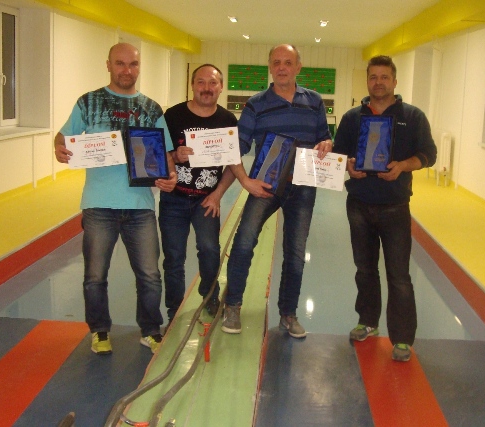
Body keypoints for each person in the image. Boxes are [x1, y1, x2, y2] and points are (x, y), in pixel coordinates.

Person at [54, 43, 177, 355]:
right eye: (120, 63)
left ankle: (150, 331)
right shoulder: (89, 102)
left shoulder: (151, 109)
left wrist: (171, 175)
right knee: (95, 276)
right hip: (98, 205)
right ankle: (99, 332)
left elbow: (165, 154)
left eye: (133, 64)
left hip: (140, 206)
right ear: (108, 65)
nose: (127, 70)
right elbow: (63, 136)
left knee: (150, 276)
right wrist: (59, 147)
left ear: (139, 67)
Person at [222, 44, 332, 338]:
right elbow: (236, 147)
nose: (282, 67)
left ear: (298, 66)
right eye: (276, 62)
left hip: (303, 187)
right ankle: (232, 306)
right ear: (270, 67)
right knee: (244, 243)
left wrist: (327, 143)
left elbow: (324, 137)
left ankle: (288, 314)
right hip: (265, 186)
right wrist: (245, 181)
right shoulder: (256, 104)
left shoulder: (314, 101)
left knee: (295, 254)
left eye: (288, 62)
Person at [333, 55, 436, 362]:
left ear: (394, 81)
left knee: (399, 275)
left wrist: (403, 165)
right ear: (367, 81)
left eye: (384, 77)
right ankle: (367, 321)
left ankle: (402, 339)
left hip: (395, 207)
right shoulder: (352, 118)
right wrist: (349, 165)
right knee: (364, 270)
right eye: (373, 77)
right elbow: (339, 154)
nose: (378, 82)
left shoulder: (413, 116)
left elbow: (428, 154)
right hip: (359, 205)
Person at [159, 64, 238, 323]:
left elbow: (233, 165)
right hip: (174, 200)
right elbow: (158, 154)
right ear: (192, 85)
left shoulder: (228, 121)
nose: (206, 88)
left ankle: (209, 296)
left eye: (212, 82)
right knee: (174, 257)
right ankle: (174, 309)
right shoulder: (173, 116)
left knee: (209, 250)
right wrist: (174, 155)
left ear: (221, 87)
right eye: (201, 82)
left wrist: (217, 195)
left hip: (207, 199)